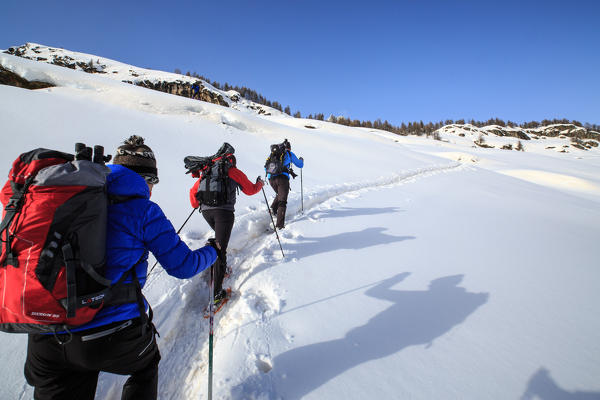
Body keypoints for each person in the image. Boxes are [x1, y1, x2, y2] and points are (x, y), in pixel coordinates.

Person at [24, 135, 219, 400]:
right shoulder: (144, 210)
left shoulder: (67, 197)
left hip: (45, 333)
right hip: (110, 334)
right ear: (146, 179)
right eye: (153, 182)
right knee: (146, 366)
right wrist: (213, 251)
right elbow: (183, 266)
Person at [189, 147, 264, 304]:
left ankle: (218, 266)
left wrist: (200, 203)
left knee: (219, 240)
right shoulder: (232, 171)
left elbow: (193, 196)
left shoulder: (207, 172)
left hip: (206, 212)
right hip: (224, 213)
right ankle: (216, 293)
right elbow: (250, 190)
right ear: (231, 160)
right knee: (220, 249)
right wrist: (260, 184)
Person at [266, 139, 304, 229]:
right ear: (289, 148)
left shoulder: (272, 154)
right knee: (282, 201)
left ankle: (273, 209)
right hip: (282, 179)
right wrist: (301, 160)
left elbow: (266, 167)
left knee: (280, 194)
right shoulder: (289, 154)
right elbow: (300, 165)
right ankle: (279, 226)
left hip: (270, 178)